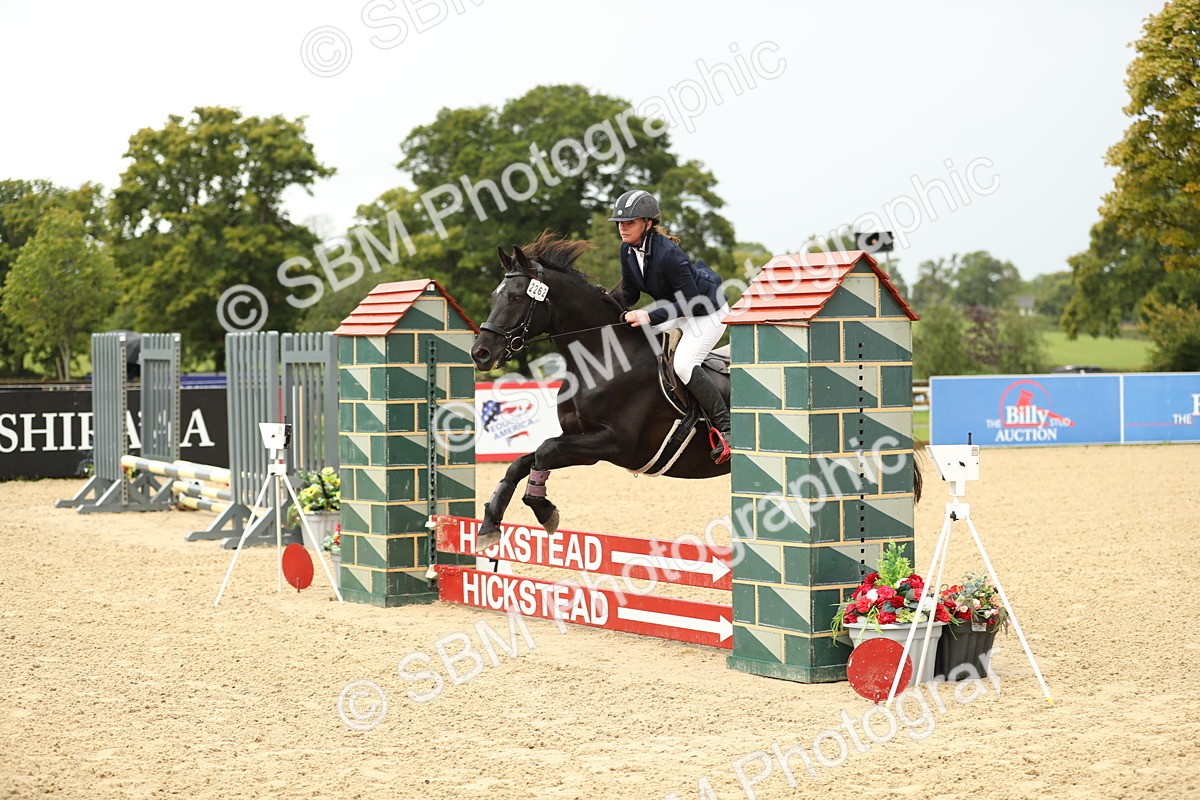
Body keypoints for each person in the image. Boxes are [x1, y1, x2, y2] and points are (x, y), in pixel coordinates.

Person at [609, 189, 731, 464]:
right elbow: (629, 294)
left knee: (684, 365)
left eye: (630, 222)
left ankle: (727, 428)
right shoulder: (627, 250)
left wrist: (650, 317)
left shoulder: (669, 254)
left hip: (707, 311)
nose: (622, 227)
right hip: (681, 308)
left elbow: (693, 301)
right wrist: (604, 304)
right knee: (642, 344)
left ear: (648, 223)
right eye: (620, 222)